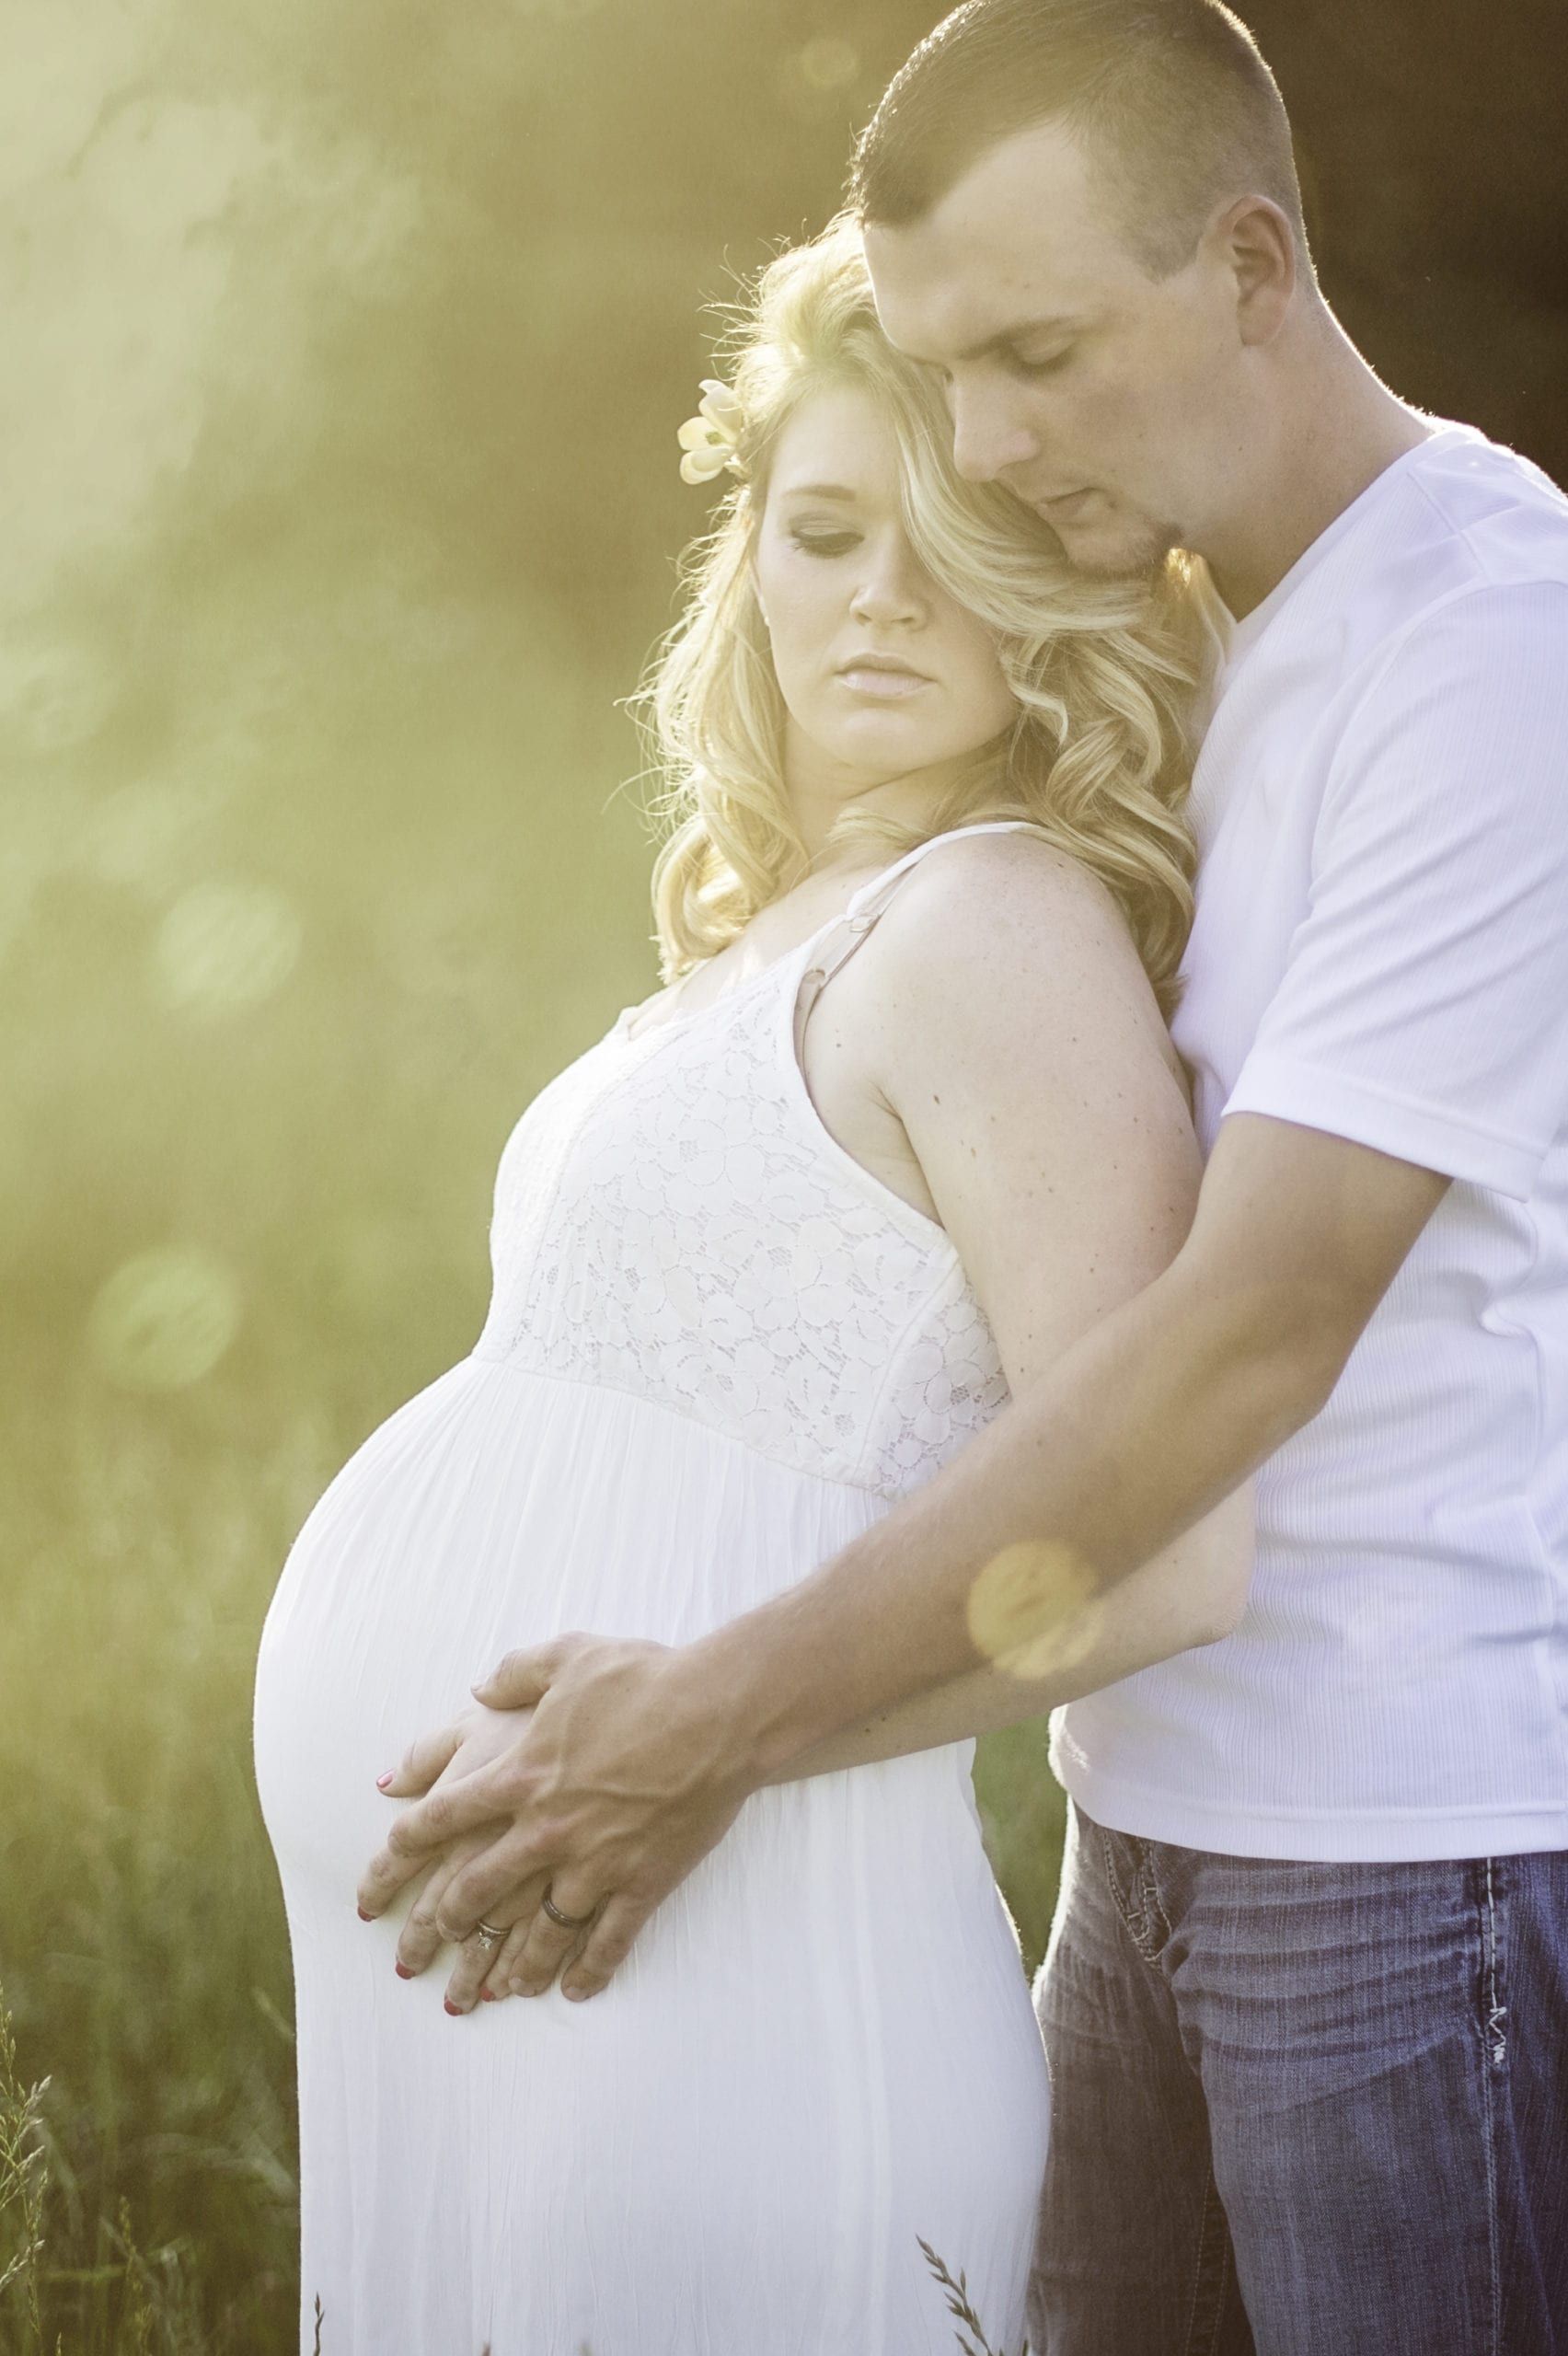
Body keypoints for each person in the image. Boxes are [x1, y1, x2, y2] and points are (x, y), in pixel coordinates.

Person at [360, 5, 1568, 2352]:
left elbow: (1254, 1327)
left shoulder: (1492, 650)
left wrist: (710, 1714)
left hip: (1408, 1852)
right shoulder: (1246, 638)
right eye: (945, 372)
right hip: (1151, 1836)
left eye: (1037, 355)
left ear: (1249, 263)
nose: (993, 447)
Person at [256, 214, 1253, 2354]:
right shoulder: (790, 922)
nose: (883, 594)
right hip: (568, 1963)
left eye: (958, 541)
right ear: (751, 559)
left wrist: (708, 1747)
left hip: (739, 1986)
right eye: (822, 529)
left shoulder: (999, 926)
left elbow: (1166, 1558)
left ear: (1059, 583)